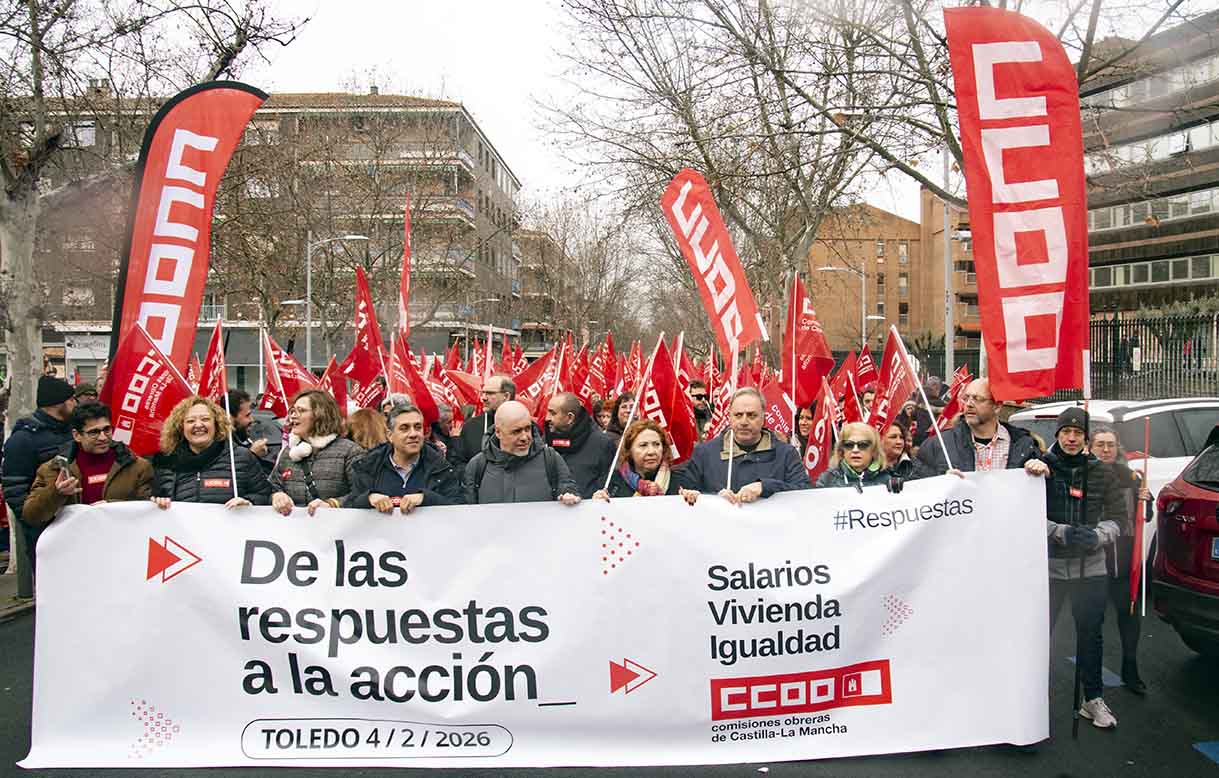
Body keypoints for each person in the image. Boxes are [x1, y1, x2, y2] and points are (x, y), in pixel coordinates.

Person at [1025, 407, 1126, 730]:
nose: (1071, 438)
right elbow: (1021, 514)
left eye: (1078, 433)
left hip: (1089, 567)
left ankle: (1092, 698)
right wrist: (1060, 531)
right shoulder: (1041, 466)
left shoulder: (1101, 471)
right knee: (1039, 634)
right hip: (1050, 567)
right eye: (1066, 432)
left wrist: (1098, 535)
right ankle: (1028, 698)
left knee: (1091, 635)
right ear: (1057, 434)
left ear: (1086, 437)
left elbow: (1120, 519)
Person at [1091, 424, 1152, 695]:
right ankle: (1091, 681)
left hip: (1126, 563)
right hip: (1093, 564)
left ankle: (1131, 669)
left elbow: (1144, 517)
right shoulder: (1083, 476)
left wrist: (1145, 501)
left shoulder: (1131, 477)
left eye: (1110, 445)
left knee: (1129, 619)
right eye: (1100, 444)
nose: (1106, 449)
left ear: (1117, 448)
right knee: (1092, 624)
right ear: (1090, 448)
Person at [22, 402, 154, 526]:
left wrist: (110, 507)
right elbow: (31, 516)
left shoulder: (137, 466)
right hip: (74, 546)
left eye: (107, 429)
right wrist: (56, 493)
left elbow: (146, 510)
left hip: (121, 543)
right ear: (77, 435)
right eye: (94, 432)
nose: (103, 437)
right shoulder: (53, 469)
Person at [2, 375, 78, 580]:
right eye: (71, 399)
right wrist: (35, 523)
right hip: (46, 531)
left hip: (77, 526)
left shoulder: (72, 431)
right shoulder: (23, 439)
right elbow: (14, 490)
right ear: (57, 403)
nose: (75, 403)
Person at [679, 388, 808, 505]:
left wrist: (764, 487)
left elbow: (806, 492)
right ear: (730, 417)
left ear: (763, 418)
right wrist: (710, 498)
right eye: (738, 415)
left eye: (752, 415)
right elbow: (684, 495)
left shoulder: (786, 453)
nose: (744, 422)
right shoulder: (704, 453)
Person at [151, 396, 269, 508]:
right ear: (180, 427)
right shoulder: (166, 463)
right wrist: (158, 502)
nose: (198, 425)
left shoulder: (240, 457)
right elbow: (156, 503)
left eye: (205, 419)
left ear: (217, 424)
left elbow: (265, 495)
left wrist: (249, 503)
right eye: (190, 421)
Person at [346, 402, 463, 512]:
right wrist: (368, 499)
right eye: (404, 428)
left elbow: (457, 510)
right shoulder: (369, 467)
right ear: (390, 436)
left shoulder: (441, 468)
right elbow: (348, 508)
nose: (413, 434)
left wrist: (426, 498)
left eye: (417, 427)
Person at [911, 378, 1039, 477]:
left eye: (978, 399)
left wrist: (1044, 473)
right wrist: (942, 482)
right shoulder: (939, 444)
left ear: (997, 406)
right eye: (966, 398)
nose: (969, 404)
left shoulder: (1024, 445)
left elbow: (1047, 497)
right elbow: (917, 487)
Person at [464, 400, 580, 505]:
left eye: (528, 428)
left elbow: (568, 487)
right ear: (498, 432)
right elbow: (468, 512)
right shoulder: (477, 466)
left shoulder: (550, 458)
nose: (525, 437)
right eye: (516, 431)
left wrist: (568, 494)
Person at [269, 390, 365, 515]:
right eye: (293, 411)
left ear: (320, 415)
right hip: (294, 531)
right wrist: (276, 496)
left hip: (336, 530)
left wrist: (333, 504)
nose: (293, 416)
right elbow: (271, 488)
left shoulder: (350, 451)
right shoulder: (288, 453)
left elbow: (363, 493)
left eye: (301, 411)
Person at [594, 419, 697, 501]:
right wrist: (597, 504)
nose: (651, 451)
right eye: (643, 445)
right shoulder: (610, 484)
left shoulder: (682, 482)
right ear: (629, 450)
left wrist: (694, 500)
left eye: (656, 444)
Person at [545, 392, 618, 499]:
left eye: (553, 413)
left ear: (570, 418)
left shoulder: (602, 444)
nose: (547, 418)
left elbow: (611, 483)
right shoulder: (545, 442)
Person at [450, 375, 515, 472]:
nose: (483, 398)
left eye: (490, 393)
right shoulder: (470, 426)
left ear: (506, 396)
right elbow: (458, 463)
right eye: (483, 393)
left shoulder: (525, 427)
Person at [814, 423, 902, 491]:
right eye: (849, 445)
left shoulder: (888, 480)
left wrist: (899, 492)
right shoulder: (827, 480)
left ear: (874, 450)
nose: (855, 450)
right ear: (841, 450)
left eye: (863, 445)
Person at [227, 389, 280, 474]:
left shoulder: (241, 440)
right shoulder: (221, 446)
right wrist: (252, 454)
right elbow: (232, 476)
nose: (251, 419)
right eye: (247, 415)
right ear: (230, 418)